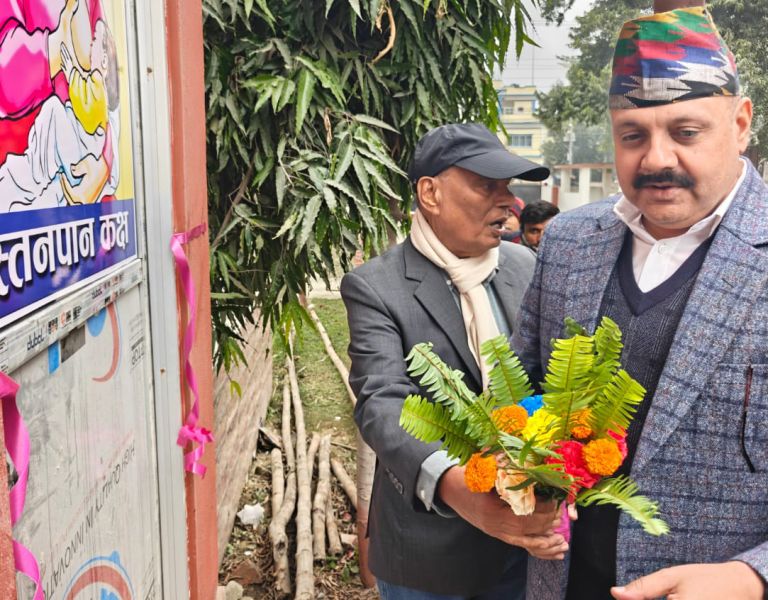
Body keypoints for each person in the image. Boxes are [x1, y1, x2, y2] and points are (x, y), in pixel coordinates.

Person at [514, 7, 768, 600]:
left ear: (740, 124)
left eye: (686, 132)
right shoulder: (570, 242)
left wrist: (752, 576)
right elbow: (522, 390)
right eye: (633, 135)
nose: (655, 159)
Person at [341, 123, 565, 599]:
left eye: (508, 187)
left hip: (527, 544)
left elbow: (554, 376)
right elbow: (382, 402)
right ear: (431, 193)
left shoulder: (524, 267)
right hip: (428, 555)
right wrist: (456, 486)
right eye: (486, 186)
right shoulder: (376, 287)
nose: (508, 202)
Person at [0, 17, 120, 211]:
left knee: (54, 111)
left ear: (105, 60)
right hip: (65, 161)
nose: (91, 44)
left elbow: (97, 106)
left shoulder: (97, 84)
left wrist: (105, 163)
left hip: (83, 159)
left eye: (95, 40)